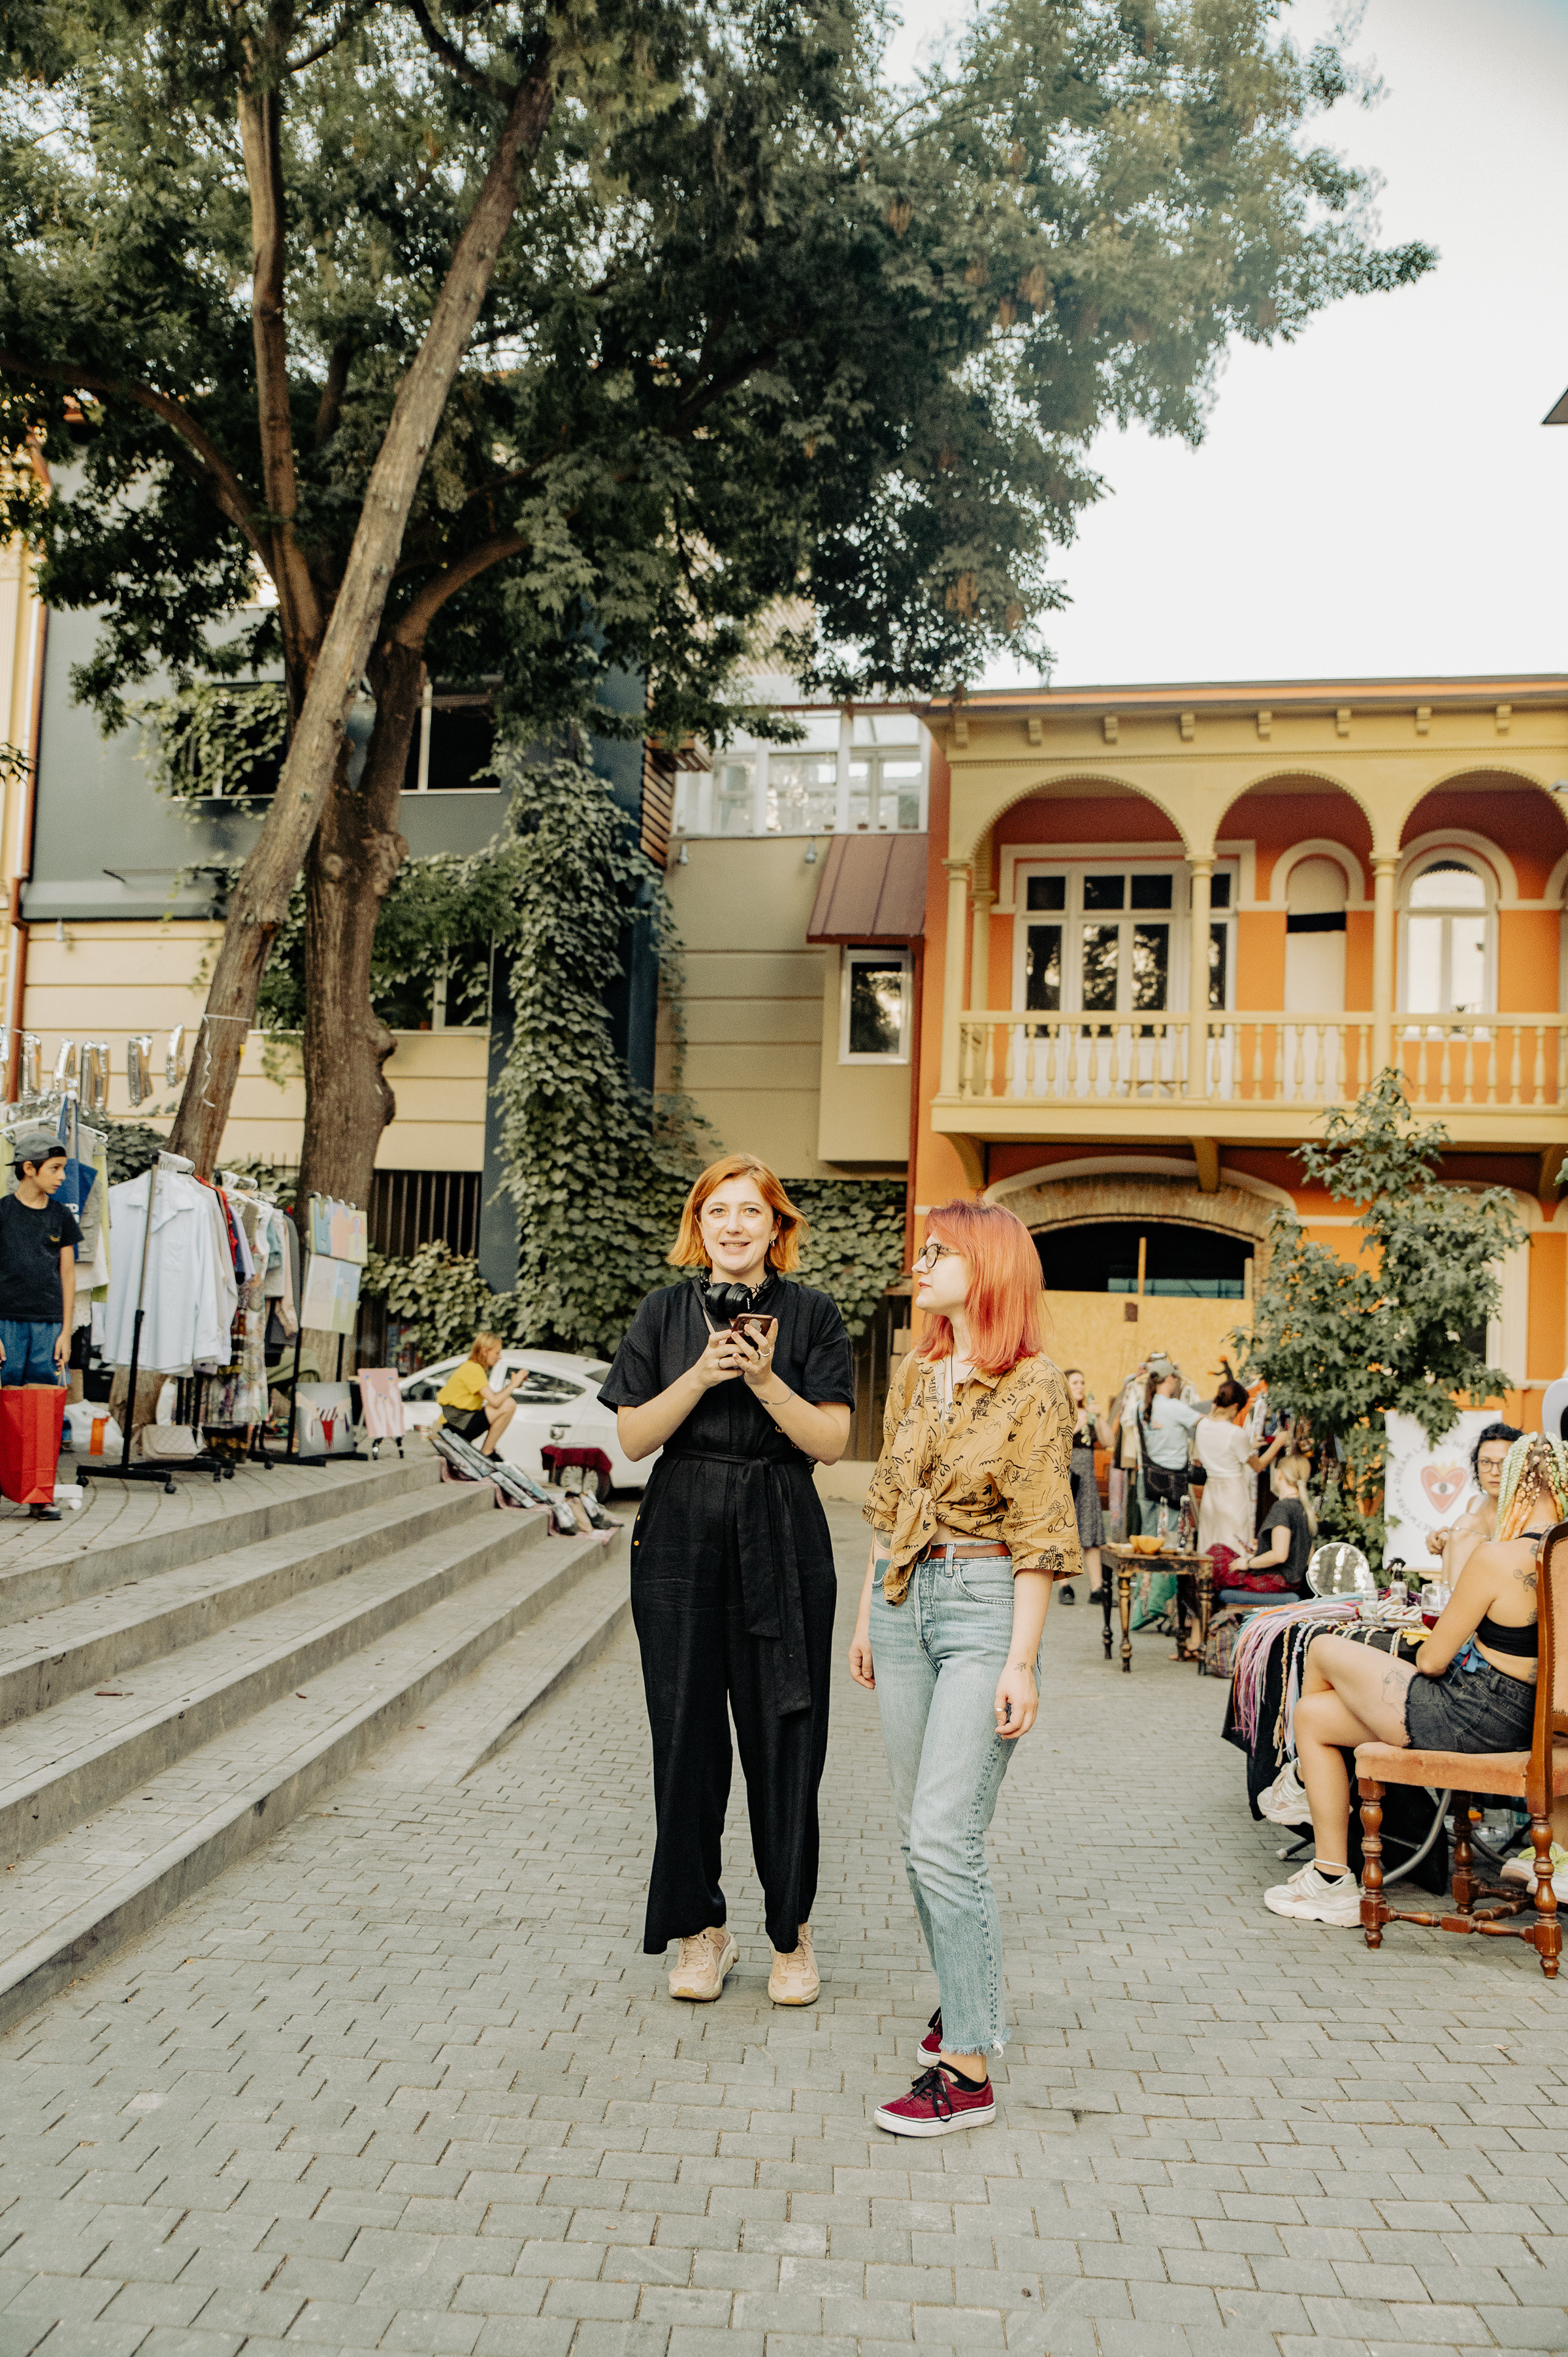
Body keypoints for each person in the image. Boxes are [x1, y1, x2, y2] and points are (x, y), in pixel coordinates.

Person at [849, 1199, 1079, 2137]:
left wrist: (1022, 1660)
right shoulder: (919, 1370)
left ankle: (970, 2067)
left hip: (986, 1608)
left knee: (948, 1833)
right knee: (917, 1833)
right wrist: (867, 1610)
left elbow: (1042, 1535)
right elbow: (889, 1500)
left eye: (939, 1251)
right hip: (905, 1601)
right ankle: (962, 1996)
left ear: (986, 1265)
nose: (922, 1261)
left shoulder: (1035, 1384)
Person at [602, 1154, 853, 2007]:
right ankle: (698, 1930)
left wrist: (763, 1377)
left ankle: (792, 1933)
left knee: (789, 1735)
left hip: (782, 1530)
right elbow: (635, 1437)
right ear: (698, 1225)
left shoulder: (814, 1314)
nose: (735, 1224)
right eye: (719, 1211)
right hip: (678, 1534)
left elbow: (830, 1443)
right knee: (684, 1741)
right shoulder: (663, 1312)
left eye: (752, 1210)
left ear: (777, 1226)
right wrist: (705, 1372)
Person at [1263, 1432, 1567, 1928]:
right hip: (1531, 1722)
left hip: (1472, 1716)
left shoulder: (1498, 1557)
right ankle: (1329, 1874)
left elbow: (1431, 1660)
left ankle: (1301, 1789)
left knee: (1321, 1647)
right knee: (1313, 1715)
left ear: (1513, 1483)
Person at [0, 1134, 80, 1522]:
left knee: (41, 1412)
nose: (63, 1176)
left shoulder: (61, 1217)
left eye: (63, 1168)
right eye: (56, 1168)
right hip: (5, 1325)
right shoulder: (1, 1214)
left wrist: (66, 1332)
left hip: (48, 1327)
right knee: (4, 1408)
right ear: (29, 1169)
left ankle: (39, 1494)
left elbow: (68, 1275)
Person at [1195, 1376, 1285, 1560]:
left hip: (1211, 1491)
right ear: (1236, 1407)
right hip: (1232, 1493)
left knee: (1210, 1540)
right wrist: (1278, 1443)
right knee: (1233, 1542)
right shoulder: (1235, 1433)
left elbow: (1221, 1449)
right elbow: (1258, 1466)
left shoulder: (1202, 1426)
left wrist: (1249, 1446)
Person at [1428, 1421, 1521, 1583]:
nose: (1494, 1472)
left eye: (1504, 1463)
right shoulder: (1475, 1504)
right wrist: (1446, 1545)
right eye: (1486, 1462)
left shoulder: (1531, 1508)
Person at [1064, 1366, 1114, 1605]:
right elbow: (1053, 1441)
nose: (1080, 1387)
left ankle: (1097, 1588)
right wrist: (1076, 1423)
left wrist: (1099, 1417)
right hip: (1065, 1474)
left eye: (1082, 1382)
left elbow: (1108, 1441)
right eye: (1075, 1383)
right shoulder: (1059, 1410)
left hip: (1087, 1476)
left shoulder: (1088, 1413)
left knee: (1091, 1531)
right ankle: (1065, 1586)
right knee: (1064, 1530)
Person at [1236, 1450, 1316, 1592]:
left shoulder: (1283, 1508)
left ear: (1279, 1474)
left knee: (1218, 1553)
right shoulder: (1302, 1507)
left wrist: (1247, 1563)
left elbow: (1280, 1555)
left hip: (1277, 1581)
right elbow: (1297, 1551)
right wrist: (1260, 1549)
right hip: (1292, 1582)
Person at [436, 1332, 524, 1458]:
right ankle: (487, 1452)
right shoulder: (473, 1369)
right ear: (485, 1351)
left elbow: (495, 1399)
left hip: (458, 1423)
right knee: (509, 1404)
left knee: (506, 1403)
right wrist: (513, 1385)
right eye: (497, 1353)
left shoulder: (473, 1367)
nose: (500, 1357)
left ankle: (488, 1451)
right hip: (457, 1425)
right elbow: (495, 1402)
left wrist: (514, 1385)